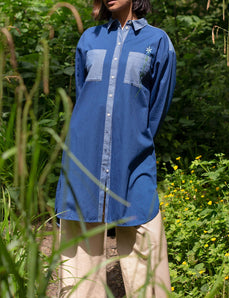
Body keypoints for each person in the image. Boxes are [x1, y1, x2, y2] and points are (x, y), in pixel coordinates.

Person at [55, 0, 176, 296]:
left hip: (133, 153)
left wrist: (134, 138)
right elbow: (84, 97)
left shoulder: (158, 41)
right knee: (80, 233)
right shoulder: (90, 39)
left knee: (144, 224)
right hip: (85, 153)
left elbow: (158, 105)